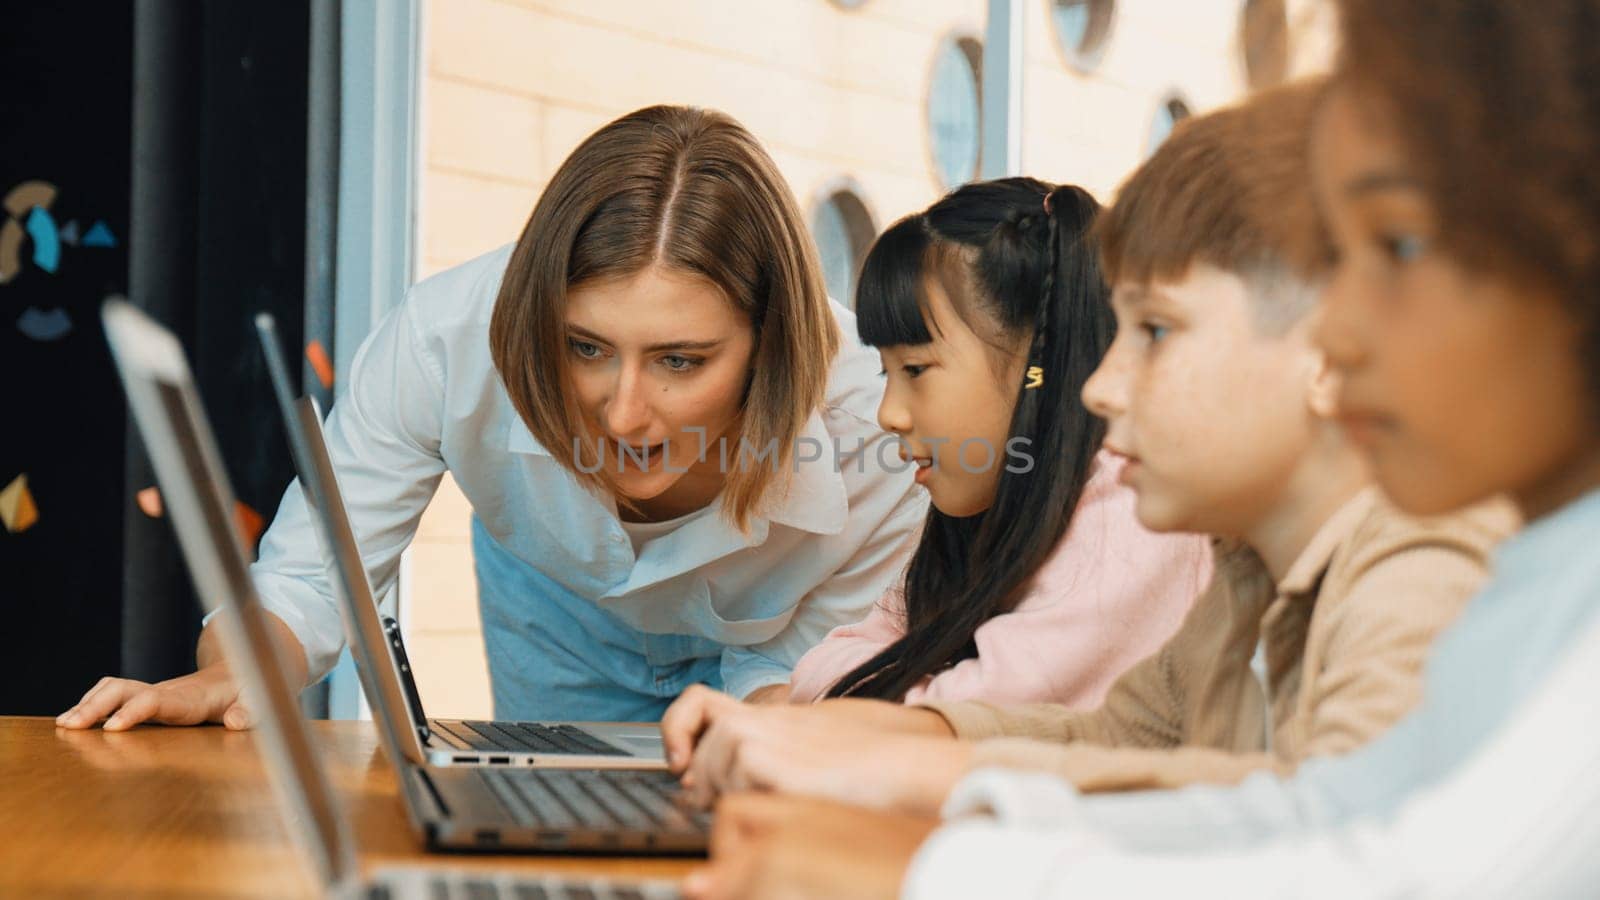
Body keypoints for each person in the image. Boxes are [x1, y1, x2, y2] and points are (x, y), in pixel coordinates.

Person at [685, 0, 1600, 895]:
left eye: (1157, 330)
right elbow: (1192, 769)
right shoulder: (1253, 565)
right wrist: (914, 764)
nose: (1101, 388)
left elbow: (1365, 853)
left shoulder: (1435, 556)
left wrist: (926, 854)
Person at [57, 105, 927, 729]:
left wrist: (760, 748)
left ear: (768, 342)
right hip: (561, 607)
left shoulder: (876, 430)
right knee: (566, 846)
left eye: (680, 362)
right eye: (585, 348)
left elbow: (798, 679)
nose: (623, 415)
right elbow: (317, 574)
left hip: (779, 652)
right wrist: (237, 674)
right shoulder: (445, 341)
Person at [783, 177, 1210, 708]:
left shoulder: (1134, 510)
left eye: (915, 369)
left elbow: (975, 712)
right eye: (885, 371)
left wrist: (881, 694)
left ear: (1040, 366)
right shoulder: (986, 508)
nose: (887, 414)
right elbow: (828, 665)